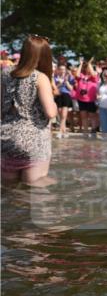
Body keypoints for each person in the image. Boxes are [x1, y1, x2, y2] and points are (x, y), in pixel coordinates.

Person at [1, 35, 57, 186]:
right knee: (36, 189)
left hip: (6, 139)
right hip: (33, 142)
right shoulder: (40, 77)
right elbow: (50, 112)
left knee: (9, 190)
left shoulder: (5, 74)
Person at [74, 60, 99, 137]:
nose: (87, 69)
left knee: (92, 116)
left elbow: (93, 73)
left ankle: (93, 131)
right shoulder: (81, 76)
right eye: (87, 68)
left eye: (89, 68)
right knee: (83, 116)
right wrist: (81, 64)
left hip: (90, 99)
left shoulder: (94, 77)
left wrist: (89, 64)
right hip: (81, 99)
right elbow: (77, 75)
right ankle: (85, 132)